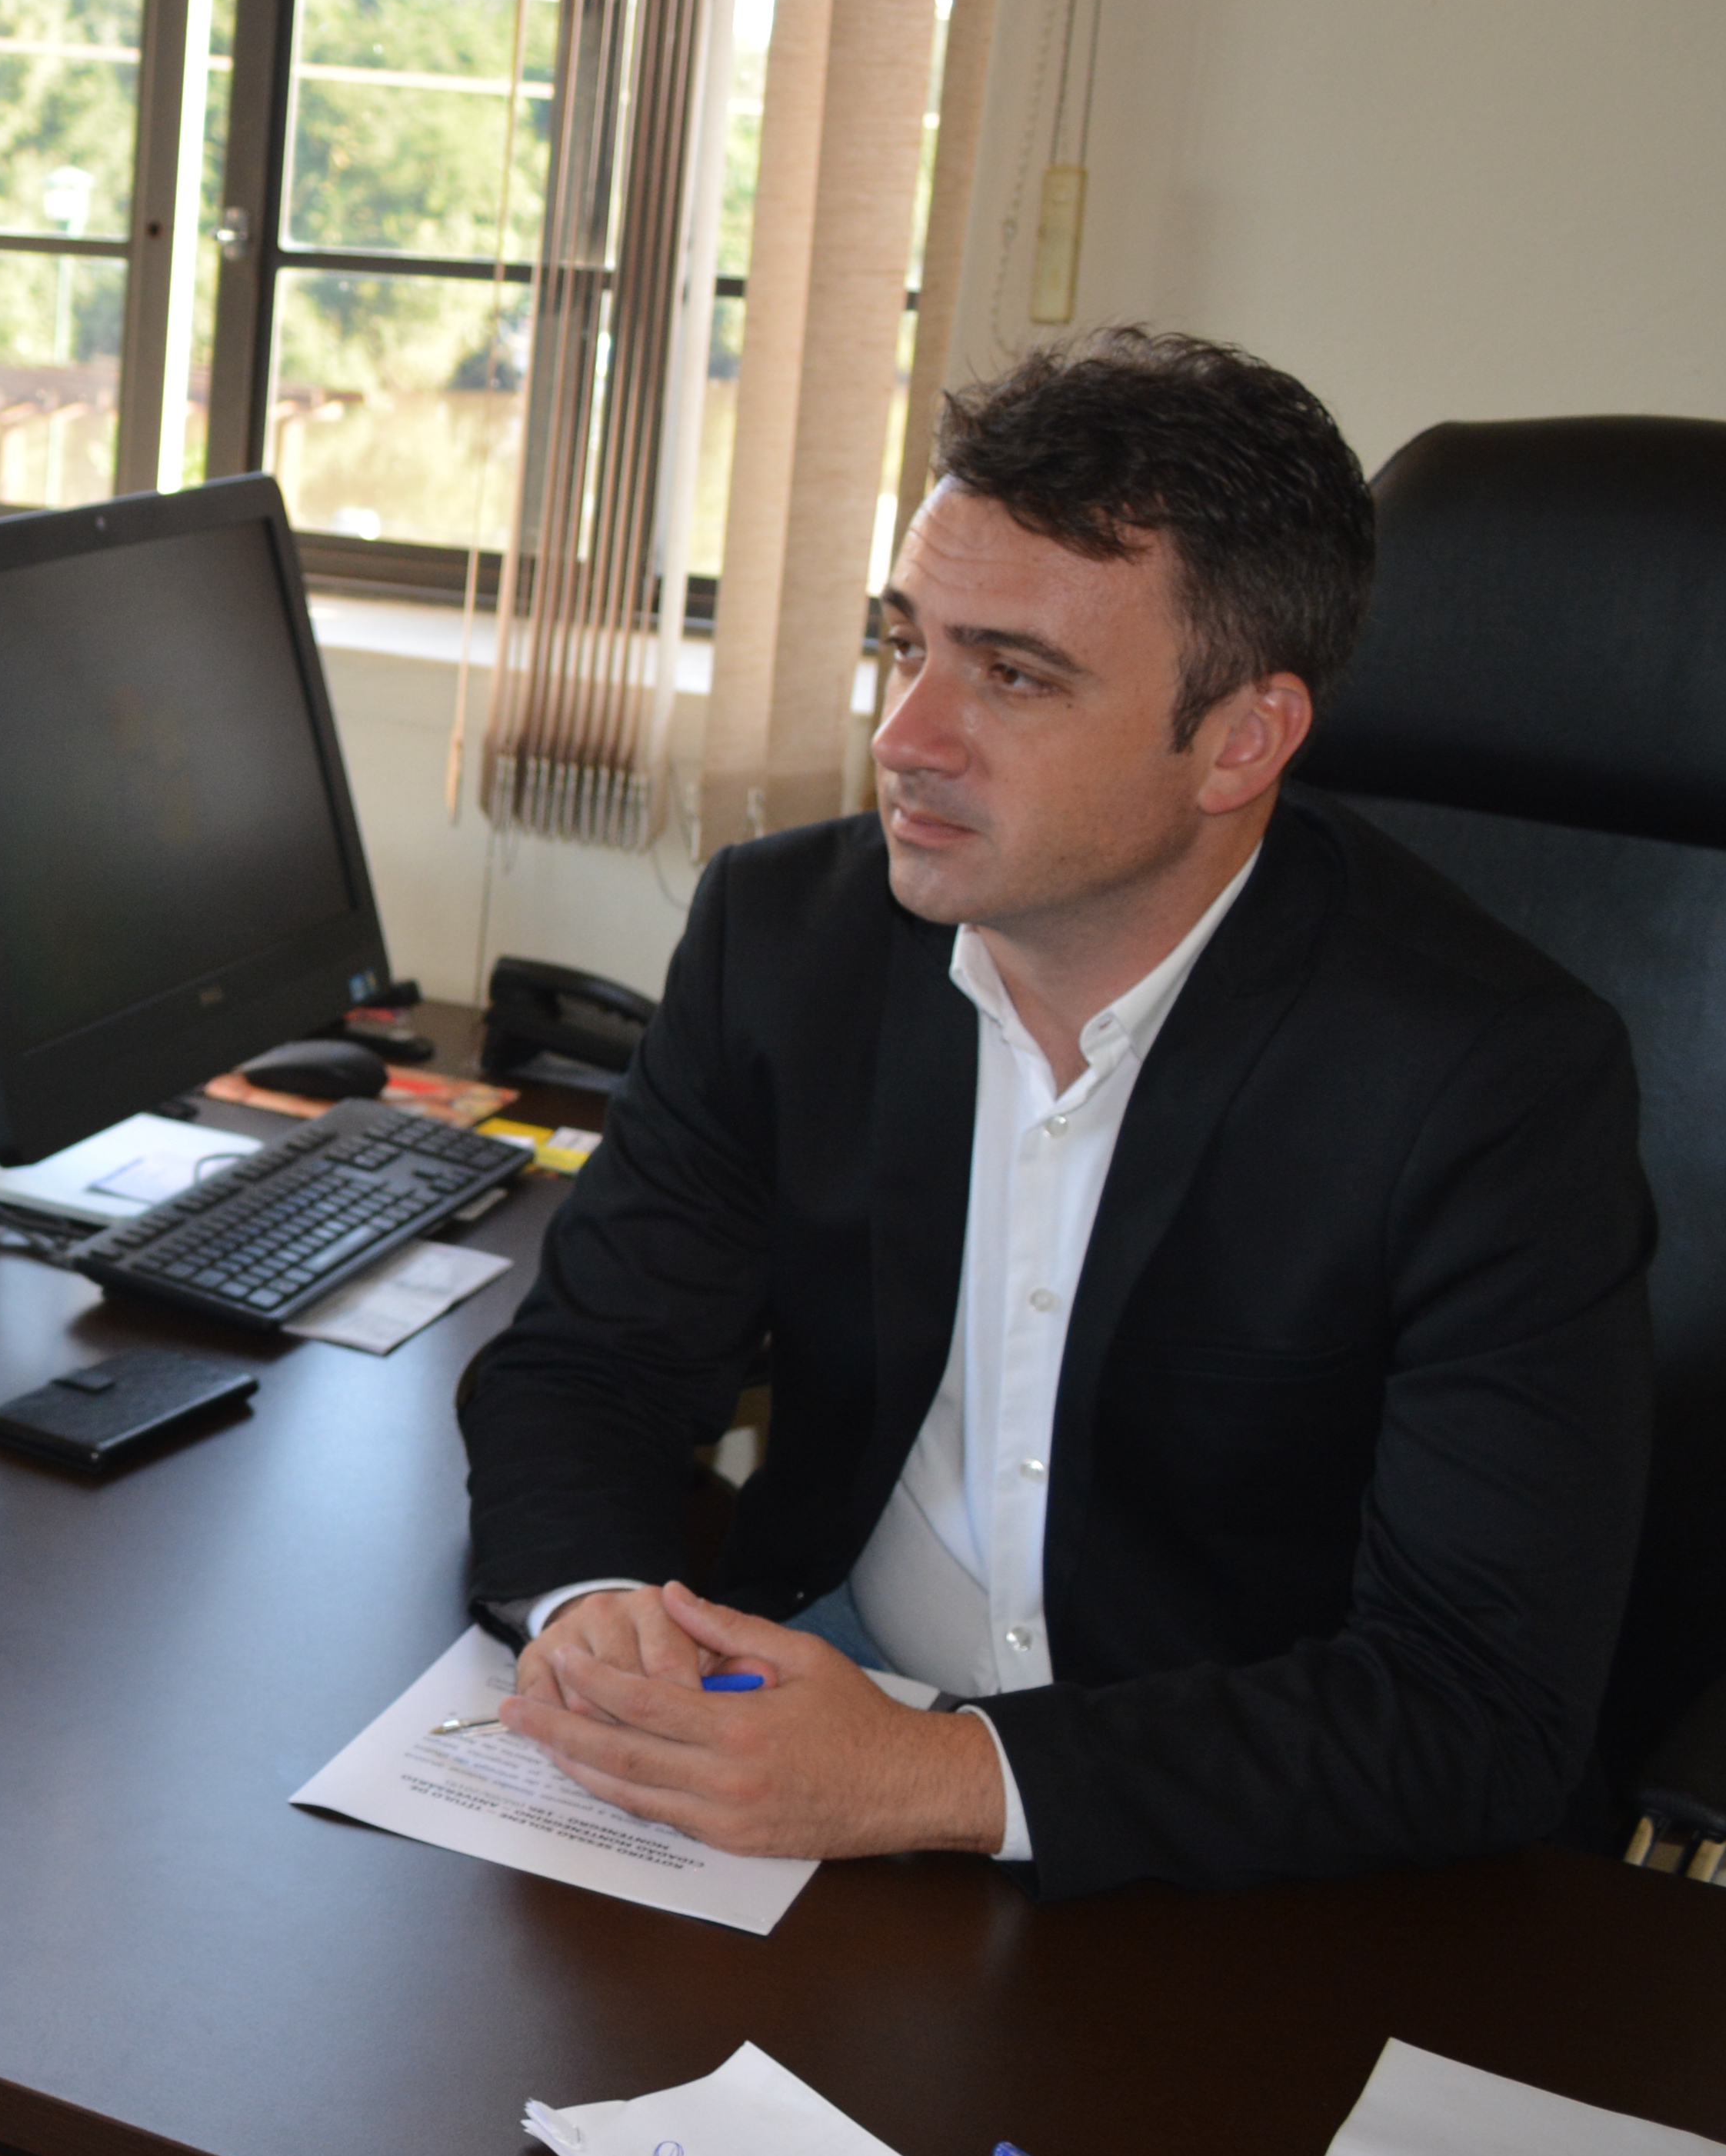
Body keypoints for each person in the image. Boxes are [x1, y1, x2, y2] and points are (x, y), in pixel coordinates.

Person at [453, 326, 1654, 1898]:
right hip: (843, 1689)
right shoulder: (786, 936)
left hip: (1235, 1834)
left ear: (1243, 739)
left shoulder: (1488, 1080)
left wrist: (941, 1773)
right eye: (910, 644)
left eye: (1012, 674)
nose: (908, 737)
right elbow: (595, 1359)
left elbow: (1472, 1704)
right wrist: (594, 1598)